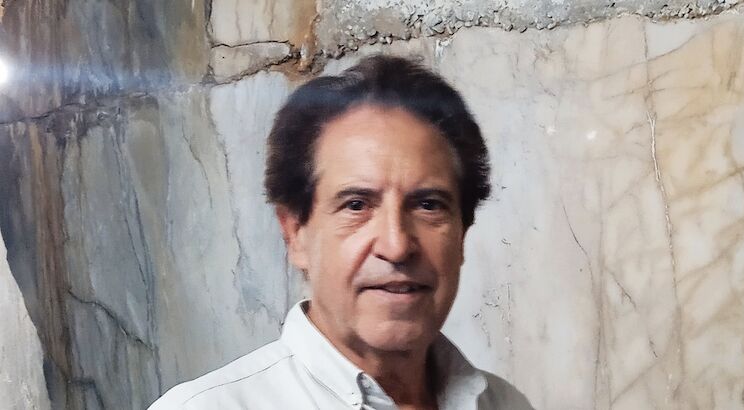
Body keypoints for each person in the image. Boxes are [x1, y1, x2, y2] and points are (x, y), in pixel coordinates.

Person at [149, 54, 533, 409]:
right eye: (356, 205)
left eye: (428, 205)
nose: (397, 246)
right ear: (295, 234)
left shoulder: (505, 404)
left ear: (463, 233)